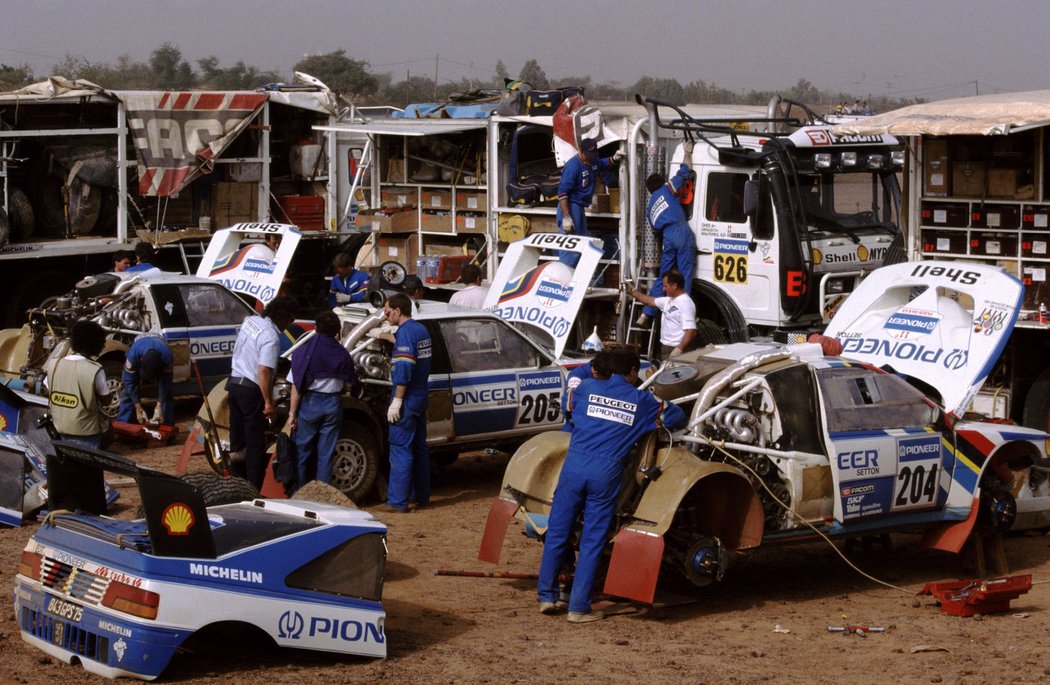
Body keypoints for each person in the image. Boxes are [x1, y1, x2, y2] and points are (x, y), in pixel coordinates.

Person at [537, 349, 685, 623]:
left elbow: (567, 407)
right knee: (592, 541)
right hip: (605, 475)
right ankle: (578, 608)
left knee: (558, 531)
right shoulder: (643, 400)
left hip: (572, 469)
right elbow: (675, 417)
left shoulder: (584, 388)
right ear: (631, 371)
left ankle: (546, 596)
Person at [227, 295, 298, 490]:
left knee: (238, 441)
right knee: (255, 443)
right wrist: (268, 402)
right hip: (251, 391)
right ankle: (252, 488)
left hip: (234, 384)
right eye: (290, 320)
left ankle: (235, 485)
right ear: (283, 317)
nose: (289, 325)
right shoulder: (271, 337)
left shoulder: (251, 321)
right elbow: (263, 370)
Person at [288, 311, 358, 488]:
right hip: (333, 405)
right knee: (326, 455)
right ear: (336, 331)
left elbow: (296, 386)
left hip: (310, 404)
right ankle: (323, 496)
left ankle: (299, 492)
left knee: (302, 452)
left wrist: (292, 414)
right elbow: (349, 386)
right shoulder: (342, 354)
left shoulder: (305, 352)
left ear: (316, 328)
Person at [379, 293, 432, 513]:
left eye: (388, 311)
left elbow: (404, 370)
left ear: (399, 311)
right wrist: (388, 337)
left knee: (400, 448)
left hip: (407, 398)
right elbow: (409, 345)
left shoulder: (407, 335)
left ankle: (397, 502)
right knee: (419, 447)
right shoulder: (420, 330)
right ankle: (421, 495)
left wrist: (397, 402)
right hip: (420, 397)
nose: (385, 314)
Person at [638, 140, 697, 326]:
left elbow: (655, 232)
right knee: (685, 274)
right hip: (681, 231)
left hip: (667, 238)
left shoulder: (650, 209)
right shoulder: (667, 188)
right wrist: (687, 153)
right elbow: (685, 172)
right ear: (662, 183)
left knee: (664, 276)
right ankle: (684, 312)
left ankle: (646, 313)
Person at [557, 138, 624, 267]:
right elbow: (563, 193)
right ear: (581, 151)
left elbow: (604, 163)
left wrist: (614, 158)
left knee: (581, 243)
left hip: (580, 207)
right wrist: (566, 216)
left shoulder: (593, 162)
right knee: (570, 245)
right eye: (588, 155)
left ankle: (575, 275)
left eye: (593, 155)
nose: (590, 158)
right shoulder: (573, 166)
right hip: (570, 206)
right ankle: (564, 275)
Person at [47, 320, 112, 449]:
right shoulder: (95, 369)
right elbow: (106, 401)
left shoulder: (54, 365)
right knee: (88, 468)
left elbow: (48, 388)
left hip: (60, 430)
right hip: (87, 433)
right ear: (96, 344)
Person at [625, 270, 697, 359]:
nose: (663, 289)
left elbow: (691, 331)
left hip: (678, 350)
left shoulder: (686, 303)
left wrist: (679, 349)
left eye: (665, 286)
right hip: (665, 348)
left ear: (674, 285)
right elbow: (649, 301)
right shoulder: (668, 300)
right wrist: (632, 291)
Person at [117, 333, 174, 427]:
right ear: (141, 359)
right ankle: (123, 426)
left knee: (167, 394)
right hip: (138, 350)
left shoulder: (167, 356)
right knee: (127, 393)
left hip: (159, 352)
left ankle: (167, 427)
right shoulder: (132, 357)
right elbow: (129, 383)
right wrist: (138, 408)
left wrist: (159, 406)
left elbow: (166, 382)